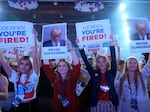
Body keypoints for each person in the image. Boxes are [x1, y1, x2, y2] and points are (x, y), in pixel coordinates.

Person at [0, 29, 40, 112]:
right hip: (18, 106)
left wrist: (34, 38)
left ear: (30, 66)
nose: (24, 66)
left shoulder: (34, 75)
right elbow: (3, 62)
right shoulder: (15, 76)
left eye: (27, 64)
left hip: (31, 105)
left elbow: (35, 57)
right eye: (21, 63)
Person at [76, 37, 119, 112]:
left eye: (103, 61)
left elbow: (114, 60)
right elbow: (86, 61)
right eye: (99, 62)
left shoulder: (112, 72)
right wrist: (80, 47)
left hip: (110, 103)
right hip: (96, 104)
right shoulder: (94, 74)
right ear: (97, 64)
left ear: (107, 62)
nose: (101, 63)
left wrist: (111, 45)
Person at [43, 40, 81, 112]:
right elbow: (46, 67)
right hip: (57, 107)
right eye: (59, 66)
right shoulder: (54, 78)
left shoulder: (72, 77)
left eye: (64, 65)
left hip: (72, 107)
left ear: (68, 67)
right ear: (57, 68)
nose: (62, 67)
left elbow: (77, 65)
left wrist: (71, 49)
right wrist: (46, 50)